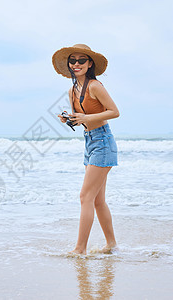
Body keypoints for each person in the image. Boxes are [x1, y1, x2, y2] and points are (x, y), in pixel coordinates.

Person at [53, 44, 120, 255]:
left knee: (85, 197)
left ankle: (79, 249)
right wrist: (68, 120)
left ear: (90, 63)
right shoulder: (72, 90)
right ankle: (111, 245)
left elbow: (114, 112)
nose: (76, 64)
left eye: (81, 60)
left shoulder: (95, 86)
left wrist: (87, 118)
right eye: (73, 61)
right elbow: (80, 120)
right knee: (98, 200)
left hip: (103, 141)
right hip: (89, 142)